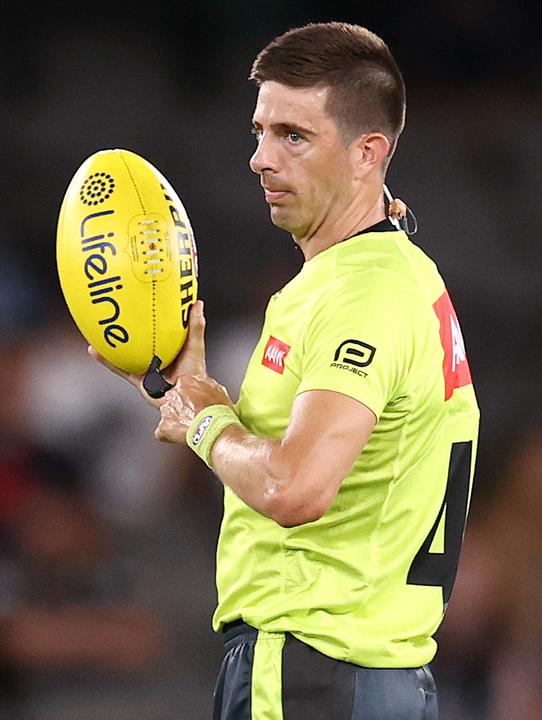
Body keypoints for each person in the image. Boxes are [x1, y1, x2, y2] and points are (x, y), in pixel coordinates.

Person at [91, 22, 480, 720]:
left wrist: (206, 421)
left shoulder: (361, 295)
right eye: (259, 131)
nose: (260, 159)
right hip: (371, 672)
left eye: (292, 136)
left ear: (370, 153)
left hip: (311, 669)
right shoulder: (386, 275)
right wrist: (183, 395)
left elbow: (296, 487)